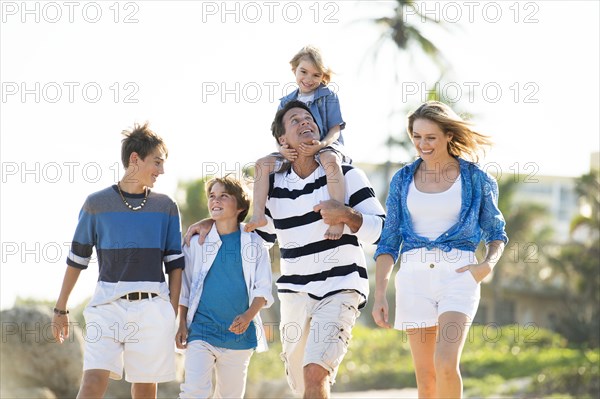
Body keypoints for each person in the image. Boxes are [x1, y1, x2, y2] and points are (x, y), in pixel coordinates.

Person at [186, 100, 385, 399]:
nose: (306, 122)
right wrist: (213, 222)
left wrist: (345, 214)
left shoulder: (346, 174)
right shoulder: (274, 186)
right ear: (283, 141)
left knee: (315, 374)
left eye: (309, 118)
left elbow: (382, 231)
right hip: (295, 295)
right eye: (295, 120)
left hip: (341, 287)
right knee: (303, 384)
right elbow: (257, 237)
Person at [372, 101, 509, 398]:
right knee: (426, 377)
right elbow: (389, 239)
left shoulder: (476, 178)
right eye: (417, 137)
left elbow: (496, 231)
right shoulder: (402, 179)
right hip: (413, 278)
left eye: (430, 137)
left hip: (458, 276)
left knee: (446, 363)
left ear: (448, 135)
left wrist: (487, 264)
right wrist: (380, 292)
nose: (423, 144)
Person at [52, 123, 184, 399]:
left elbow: (175, 264)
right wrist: (60, 308)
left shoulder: (166, 207)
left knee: (146, 389)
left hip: (152, 307)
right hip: (106, 306)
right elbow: (77, 259)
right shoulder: (96, 204)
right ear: (135, 159)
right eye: (157, 162)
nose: (161, 171)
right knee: (92, 382)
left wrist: (170, 311)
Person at [176, 176, 273, 399]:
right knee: (194, 392)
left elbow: (263, 288)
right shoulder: (196, 241)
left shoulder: (254, 243)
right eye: (212, 196)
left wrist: (248, 316)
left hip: (239, 337)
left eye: (223, 196)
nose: (215, 200)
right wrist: (181, 323)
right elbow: (186, 287)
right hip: (201, 331)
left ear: (240, 206)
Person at [246, 45, 350, 241]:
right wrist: (281, 150)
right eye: (304, 72)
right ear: (294, 70)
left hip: (324, 145)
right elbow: (279, 134)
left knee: (330, 161)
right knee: (262, 164)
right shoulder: (285, 102)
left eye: (316, 75)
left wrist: (321, 145)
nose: (309, 79)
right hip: (294, 150)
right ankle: (258, 214)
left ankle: (337, 215)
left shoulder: (328, 96)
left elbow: (336, 129)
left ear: (323, 77)